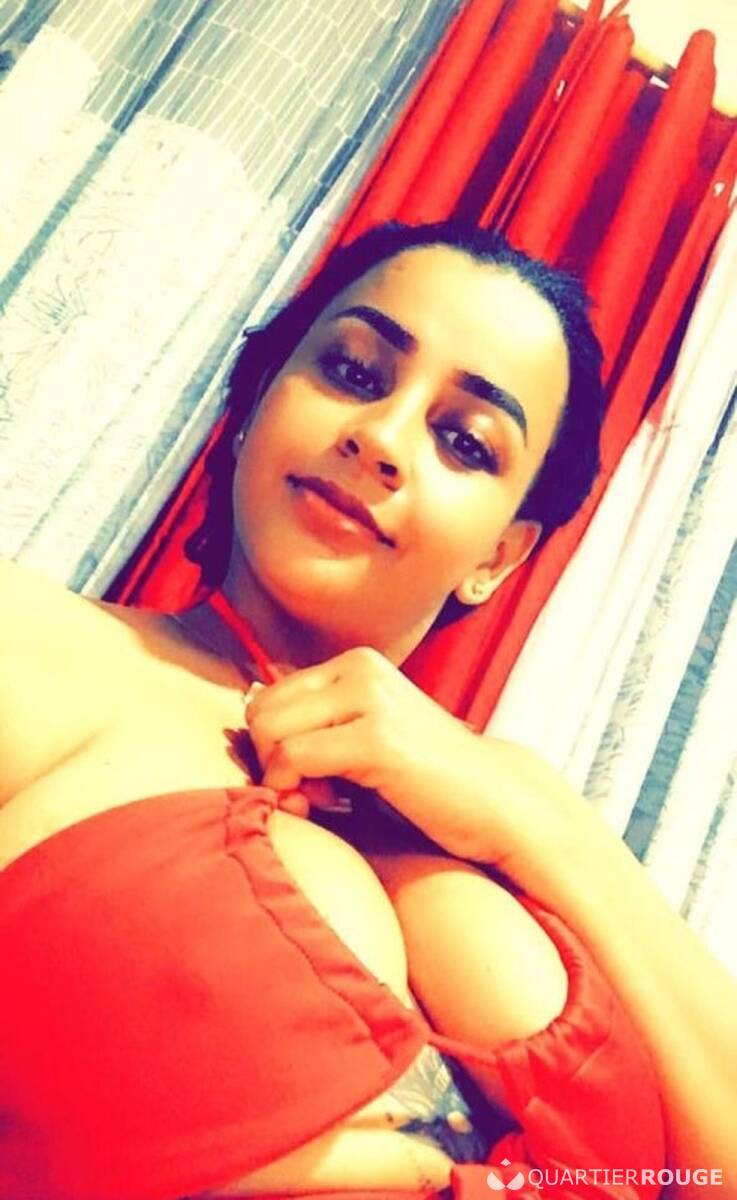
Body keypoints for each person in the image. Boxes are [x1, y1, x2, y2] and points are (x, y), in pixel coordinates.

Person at [0, 221, 732, 1200]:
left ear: (497, 557)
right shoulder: (35, 646)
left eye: (463, 441)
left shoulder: (519, 821)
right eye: (352, 372)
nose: (380, 439)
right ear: (255, 404)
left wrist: (536, 818)